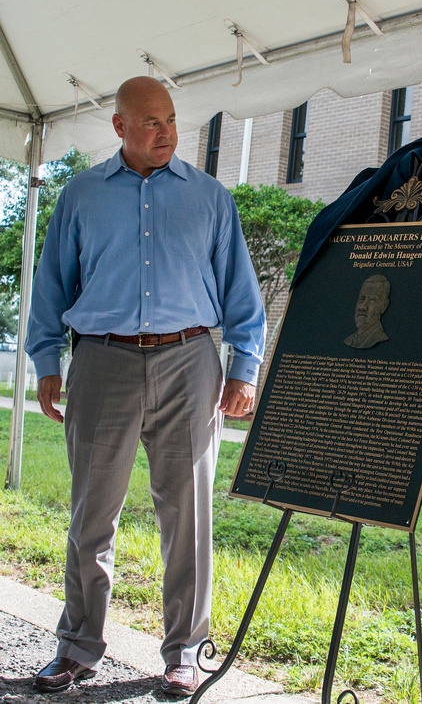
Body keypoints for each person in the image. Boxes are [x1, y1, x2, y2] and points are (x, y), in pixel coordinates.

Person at [26, 76, 266, 697]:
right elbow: (51, 285)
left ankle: (185, 652)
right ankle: (77, 646)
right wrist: (46, 362)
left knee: (188, 517)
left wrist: (244, 367)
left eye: (170, 120)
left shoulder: (211, 198)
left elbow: (242, 292)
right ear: (120, 127)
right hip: (101, 364)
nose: (165, 132)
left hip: (190, 361)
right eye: (150, 122)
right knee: (91, 515)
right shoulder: (80, 195)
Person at [343, 274, 390, 349]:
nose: (362, 307)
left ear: (384, 306)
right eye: (362, 298)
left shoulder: (380, 337)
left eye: (372, 299)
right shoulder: (349, 340)